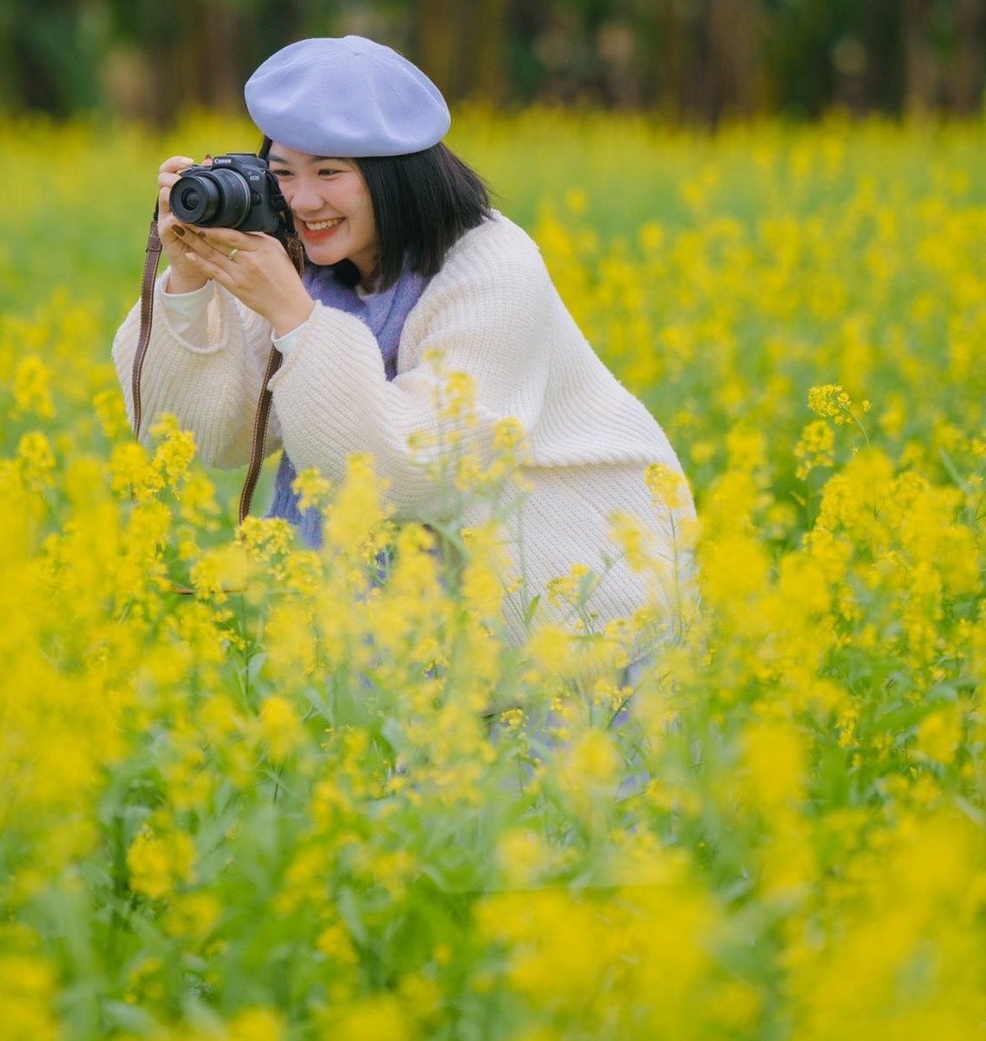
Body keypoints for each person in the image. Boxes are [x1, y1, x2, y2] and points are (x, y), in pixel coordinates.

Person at [112, 35, 693, 654]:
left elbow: (409, 474)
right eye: (282, 173)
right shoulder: (298, 258)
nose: (302, 201)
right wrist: (189, 281)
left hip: (573, 631)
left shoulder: (493, 267)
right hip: (402, 642)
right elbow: (209, 436)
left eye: (330, 172)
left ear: (397, 177)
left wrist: (294, 316)